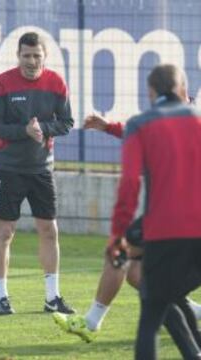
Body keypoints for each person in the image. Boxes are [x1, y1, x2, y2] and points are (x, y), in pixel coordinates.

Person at [53, 65, 201, 359]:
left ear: (150, 92)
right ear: (183, 90)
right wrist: (110, 127)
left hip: (164, 226)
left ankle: (93, 320)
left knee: (148, 301)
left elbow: (130, 184)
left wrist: (117, 234)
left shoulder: (144, 123)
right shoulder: (194, 119)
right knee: (141, 276)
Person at [0, 32, 75, 315]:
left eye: (37, 55)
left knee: (49, 230)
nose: (32, 61)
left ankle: (53, 298)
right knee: (5, 232)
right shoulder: (2, 83)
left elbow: (67, 122)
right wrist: (24, 131)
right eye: (26, 55)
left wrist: (44, 129)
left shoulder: (57, 83)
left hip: (42, 170)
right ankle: (1, 297)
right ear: (18, 55)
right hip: (9, 169)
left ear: (44, 56)